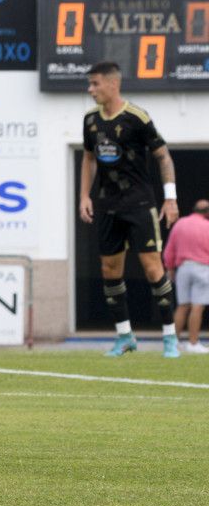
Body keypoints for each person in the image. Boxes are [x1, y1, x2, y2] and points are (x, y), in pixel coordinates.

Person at [80, 60, 180, 358]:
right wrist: (84, 196)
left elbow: (163, 157)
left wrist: (170, 198)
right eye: (90, 84)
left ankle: (169, 337)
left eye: (95, 84)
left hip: (139, 202)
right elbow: (88, 158)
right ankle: (125, 337)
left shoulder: (137, 117)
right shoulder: (90, 121)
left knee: (152, 268)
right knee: (109, 270)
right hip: (107, 204)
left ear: (113, 84)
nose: (91, 90)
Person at [163, 200, 209, 353]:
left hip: (183, 268)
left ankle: (173, 342)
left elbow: (169, 249)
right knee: (197, 306)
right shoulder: (207, 226)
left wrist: (170, 268)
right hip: (202, 268)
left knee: (182, 306)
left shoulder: (181, 223)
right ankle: (193, 343)